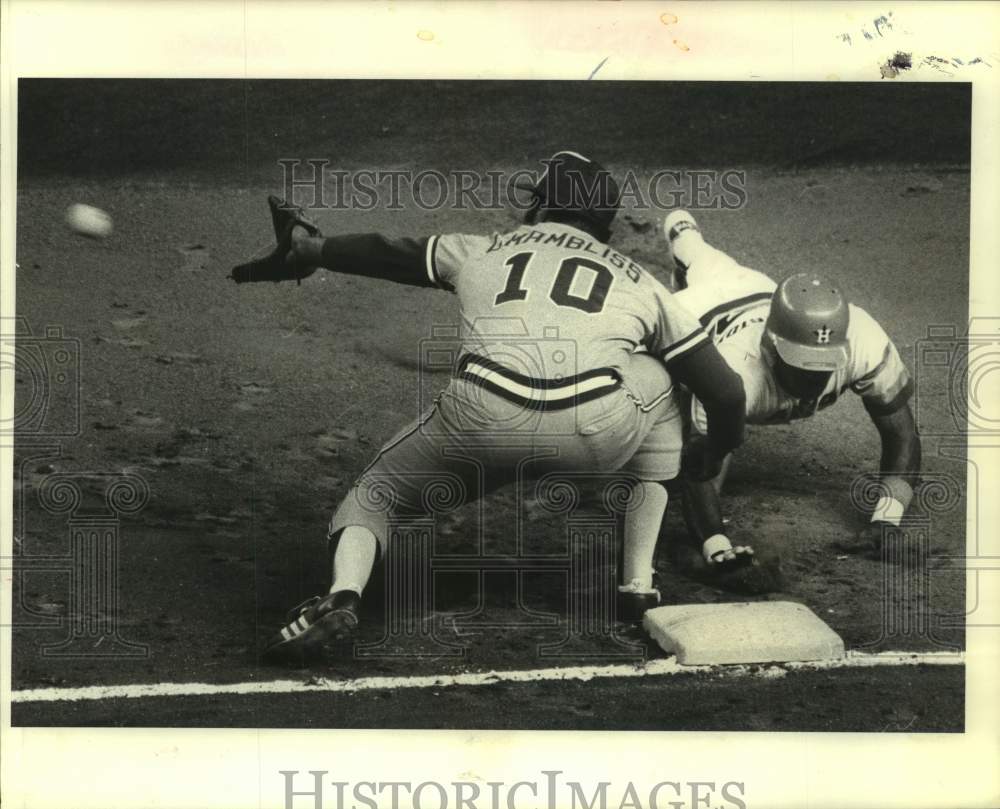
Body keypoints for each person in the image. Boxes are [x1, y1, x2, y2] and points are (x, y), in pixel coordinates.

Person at [231, 153, 747, 665]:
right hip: (592, 437)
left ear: (542, 206)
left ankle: (343, 594)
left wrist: (310, 247)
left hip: (481, 425)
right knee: (658, 376)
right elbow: (725, 393)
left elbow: (388, 254)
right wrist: (713, 449)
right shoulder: (642, 281)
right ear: (604, 223)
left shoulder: (484, 248)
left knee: (375, 495)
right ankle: (637, 586)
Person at [663, 210, 921, 573]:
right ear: (771, 348)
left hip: (754, 288)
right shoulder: (733, 375)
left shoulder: (862, 338)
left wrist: (887, 519)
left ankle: (683, 235)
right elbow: (702, 471)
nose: (814, 379)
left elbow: (902, 435)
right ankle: (676, 249)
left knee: (707, 259)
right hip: (695, 316)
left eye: (825, 361)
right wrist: (715, 546)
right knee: (666, 431)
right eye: (802, 363)